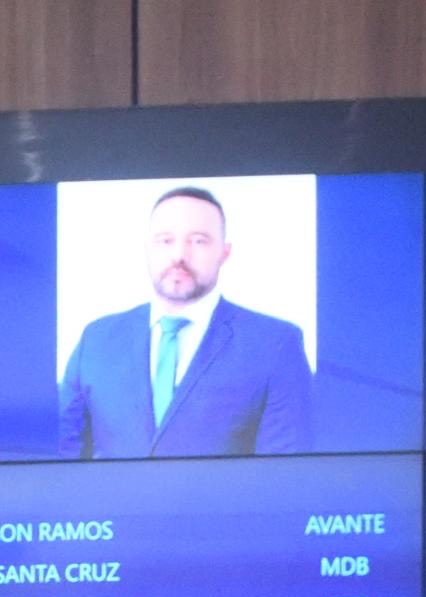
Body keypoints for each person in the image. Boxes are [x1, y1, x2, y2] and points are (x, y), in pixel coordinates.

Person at [57, 184, 312, 457]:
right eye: (165, 240)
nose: (179, 255)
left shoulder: (276, 344)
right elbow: (59, 456)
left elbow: (285, 471)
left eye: (198, 241)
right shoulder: (96, 339)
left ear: (224, 253)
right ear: (148, 249)